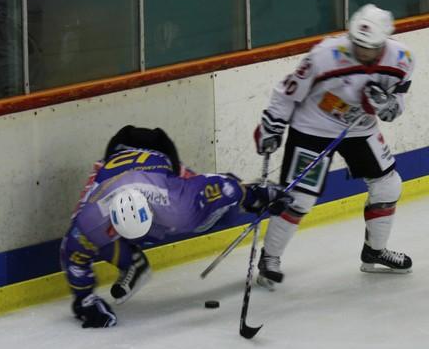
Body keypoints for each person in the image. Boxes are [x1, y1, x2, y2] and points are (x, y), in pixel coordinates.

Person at [60, 125, 292, 328]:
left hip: (158, 150)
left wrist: (252, 195)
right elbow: (72, 253)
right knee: (91, 239)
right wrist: (84, 301)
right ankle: (131, 261)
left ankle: (133, 257)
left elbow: (220, 186)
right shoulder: (91, 218)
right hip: (118, 151)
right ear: (111, 221)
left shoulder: (177, 204)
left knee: (204, 219)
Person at [252, 3, 415, 289]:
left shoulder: (402, 59)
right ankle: (270, 258)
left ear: (383, 42)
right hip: (312, 127)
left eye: (369, 47)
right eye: (357, 43)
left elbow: (395, 108)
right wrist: (272, 125)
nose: (362, 51)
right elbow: (287, 90)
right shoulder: (325, 54)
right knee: (299, 198)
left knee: (388, 186)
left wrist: (386, 104)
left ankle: (374, 252)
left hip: (359, 129)